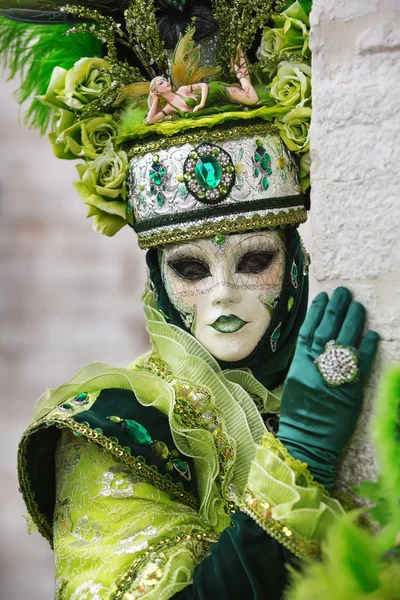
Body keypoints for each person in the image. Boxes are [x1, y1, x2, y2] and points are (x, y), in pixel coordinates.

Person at [1, 0, 379, 598]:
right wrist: (299, 455)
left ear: (297, 260)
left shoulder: (371, 362)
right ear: (156, 273)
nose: (223, 293)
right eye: (188, 268)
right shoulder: (117, 430)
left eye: (256, 259)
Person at [145, 45, 258, 125]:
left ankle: (238, 72)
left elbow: (204, 85)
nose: (166, 83)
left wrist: (202, 103)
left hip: (217, 91)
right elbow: (150, 120)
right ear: (157, 91)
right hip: (218, 103)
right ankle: (238, 64)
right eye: (161, 83)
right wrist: (155, 99)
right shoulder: (170, 108)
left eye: (165, 80)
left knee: (254, 100)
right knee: (247, 93)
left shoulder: (182, 90)